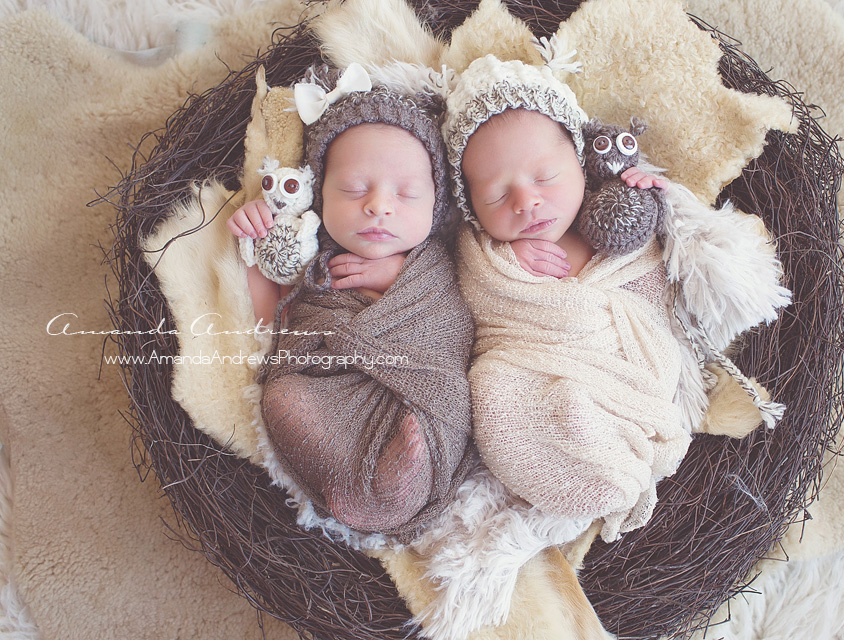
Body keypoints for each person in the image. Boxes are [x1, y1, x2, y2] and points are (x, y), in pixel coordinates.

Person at [442, 54, 787, 542]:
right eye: (498, 197)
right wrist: (509, 264)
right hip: (530, 371)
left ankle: (615, 466)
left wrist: (661, 198)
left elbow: (673, 268)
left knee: (592, 404)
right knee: (493, 392)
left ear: (582, 164)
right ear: (472, 211)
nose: (527, 201)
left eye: (544, 179)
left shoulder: (619, 210)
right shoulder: (484, 254)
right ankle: (585, 479)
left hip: (630, 375)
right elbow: (473, 308)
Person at [229, 67, 476, 541]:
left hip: (413, 396)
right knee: (281, 395)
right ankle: (359, 490)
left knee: (437, 417)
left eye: (406, 193)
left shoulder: (440, 266)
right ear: (320, 195)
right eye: (355, 189)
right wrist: (255, 245)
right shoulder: (311, 257)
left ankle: (393, 485)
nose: (379, 205)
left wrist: (400, 279)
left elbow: (454, 332)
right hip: (328, 390)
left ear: (436, 206)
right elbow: (268, 322)